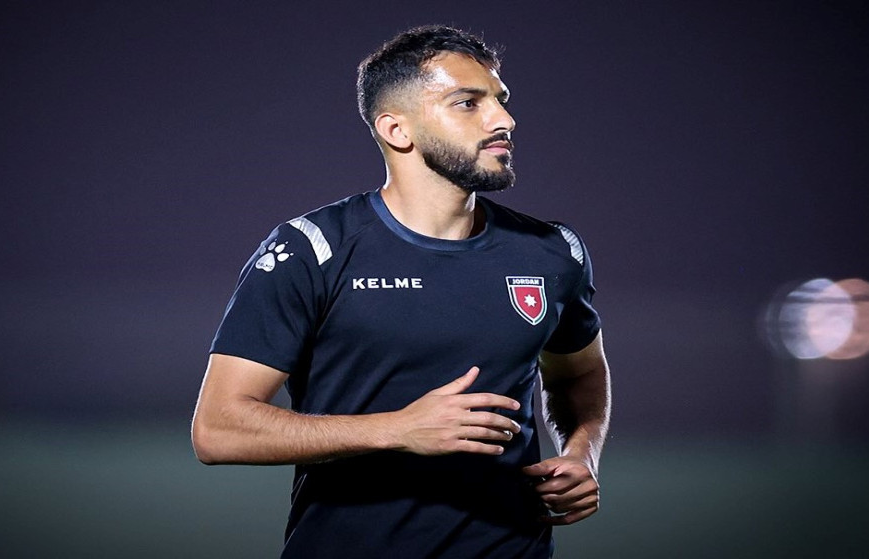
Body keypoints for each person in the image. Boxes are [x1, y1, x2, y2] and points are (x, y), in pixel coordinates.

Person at [191, 25, 611, 559]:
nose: (504, 120)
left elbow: (578, 374)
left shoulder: (551, 252)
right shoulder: (312, 249)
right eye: (468, 103)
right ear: (397, 130)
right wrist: (397, 429)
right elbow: (218, 429)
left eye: (500, 100)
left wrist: (581, 454)